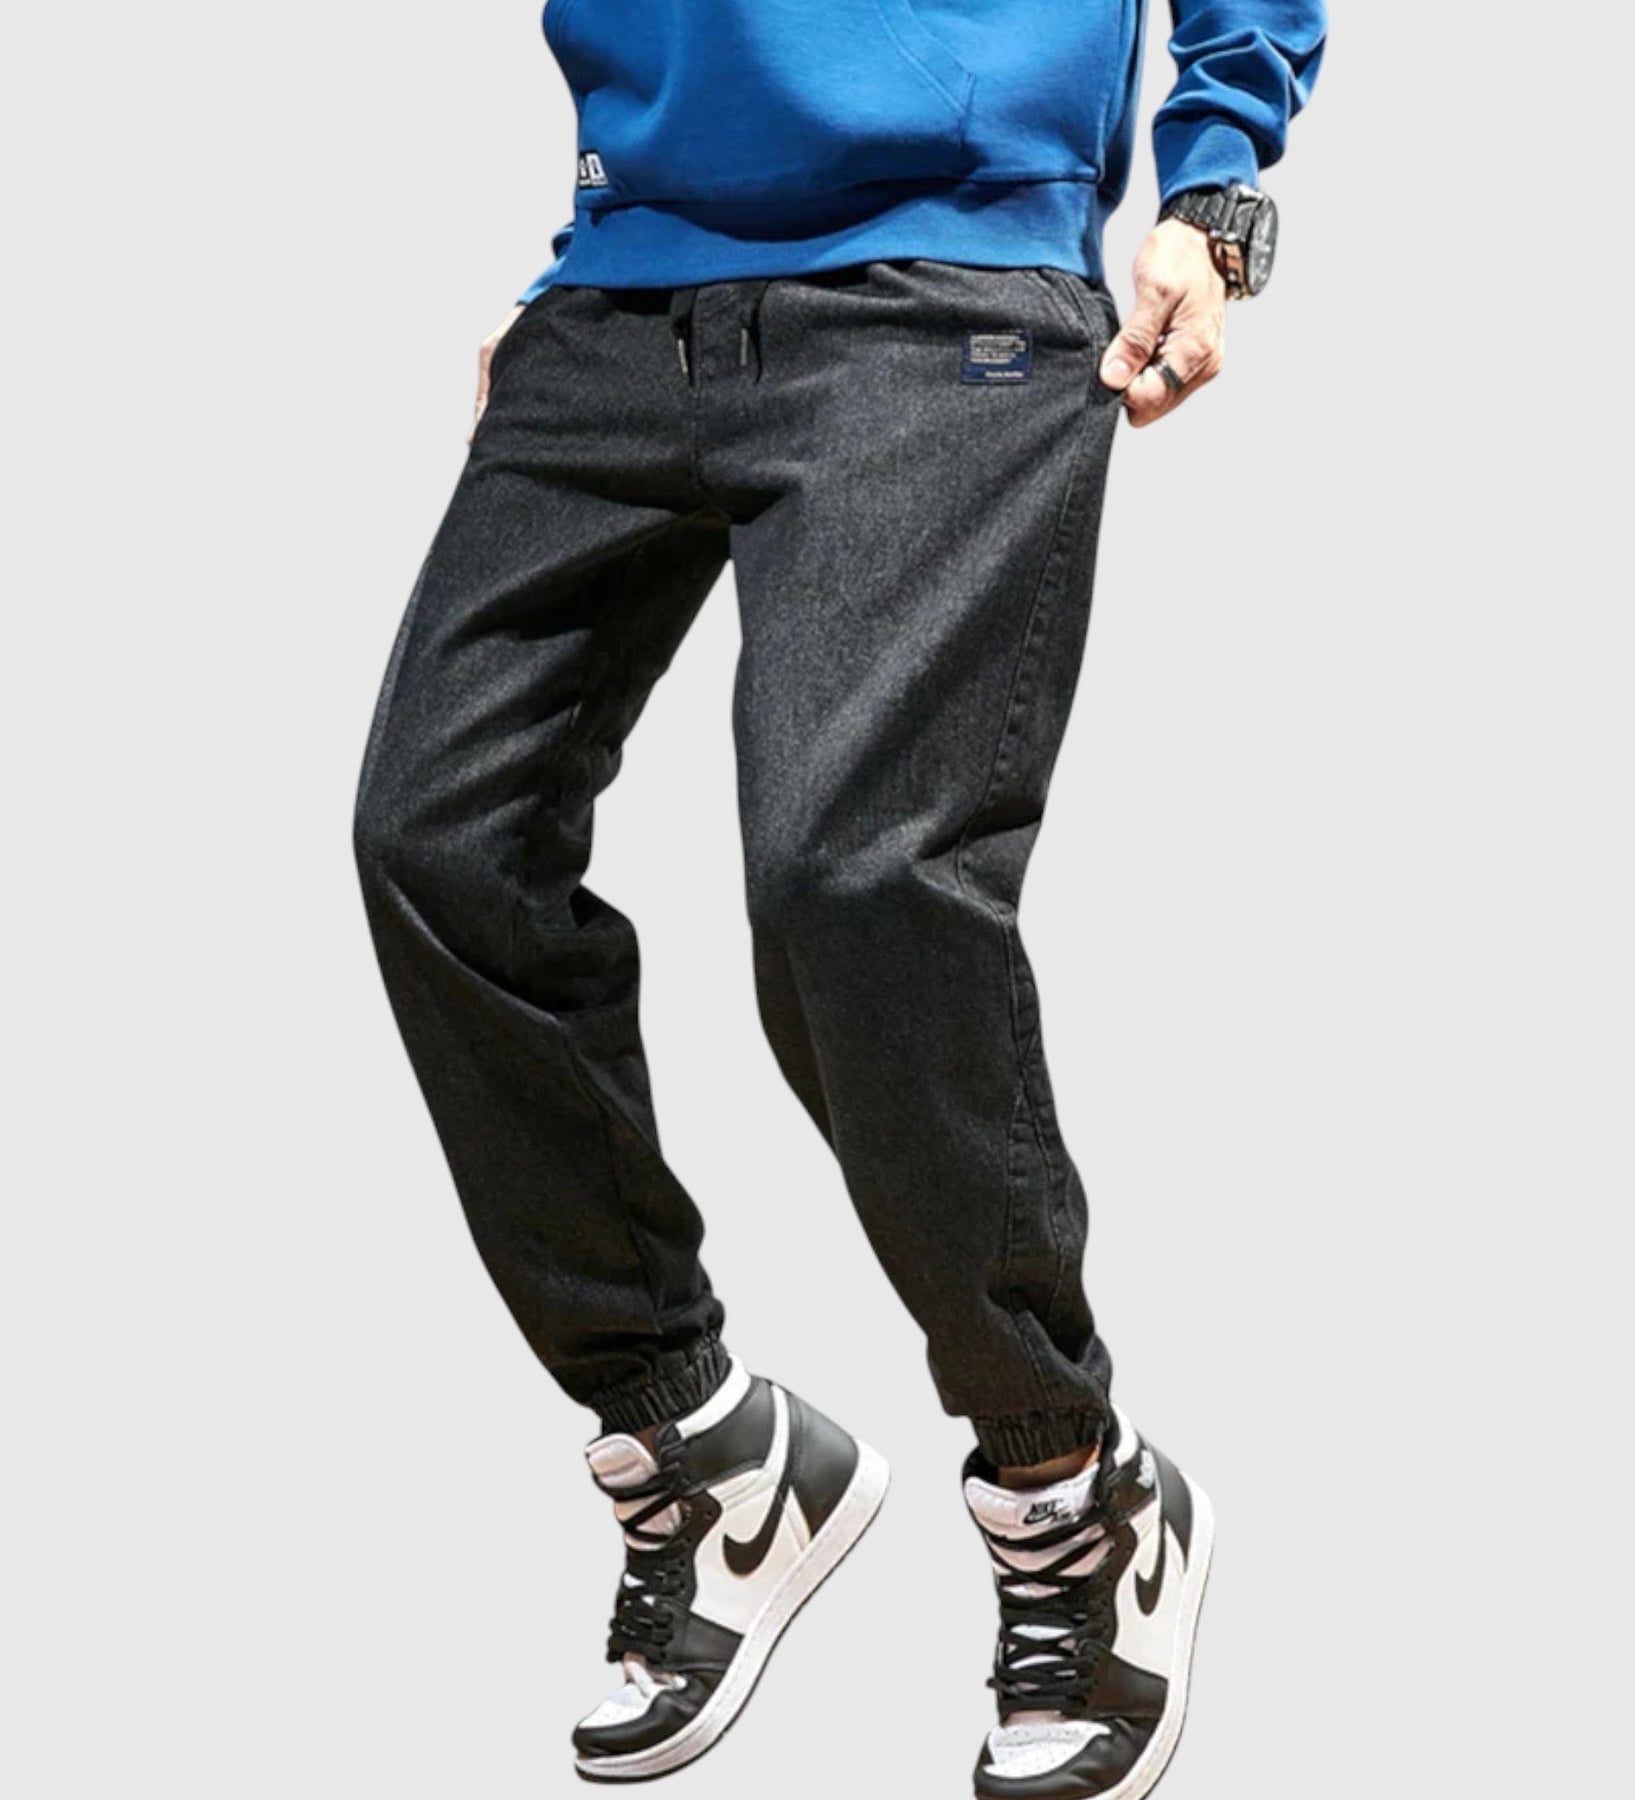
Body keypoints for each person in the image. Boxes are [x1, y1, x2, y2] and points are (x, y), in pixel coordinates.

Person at [353, 3, 1325, 1793]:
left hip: (948, 285)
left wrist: (1215, 188)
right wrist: (589, 253)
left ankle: (1067, 1485)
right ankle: (700, 1444)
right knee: (437, 842)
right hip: (620, 296)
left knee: (850, 877)